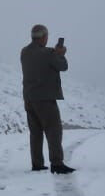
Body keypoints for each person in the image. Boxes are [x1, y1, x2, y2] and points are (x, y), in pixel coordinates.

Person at [21, 24, 72, 174]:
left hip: (29, 98)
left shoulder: (24, 52)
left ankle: (37, 163)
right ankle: (56, 163)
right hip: (45, 99)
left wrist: (54, 52)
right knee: (53, 131)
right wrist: (60, 54)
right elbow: (63, 66)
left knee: (35, 133)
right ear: (44, 37)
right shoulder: (49, 53)